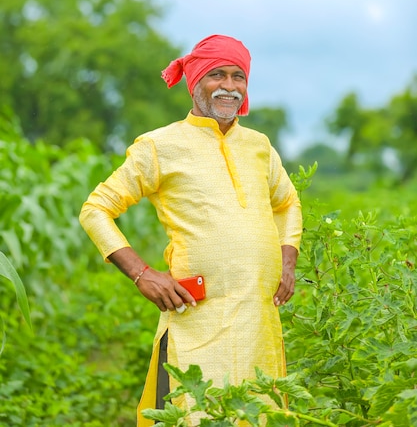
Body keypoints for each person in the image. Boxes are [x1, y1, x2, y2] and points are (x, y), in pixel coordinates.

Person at [79, 34, 302, 426]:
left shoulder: (260, 146)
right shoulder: (159, 146)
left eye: (239, 77)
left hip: (259, 321)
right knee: (198, 413)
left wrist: (288, 258)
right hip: (198, 316)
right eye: (218, 75)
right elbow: (96, 209)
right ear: (195, 81)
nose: (230, 87)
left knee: (261, 412)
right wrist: (142, 274)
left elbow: (287, 204)